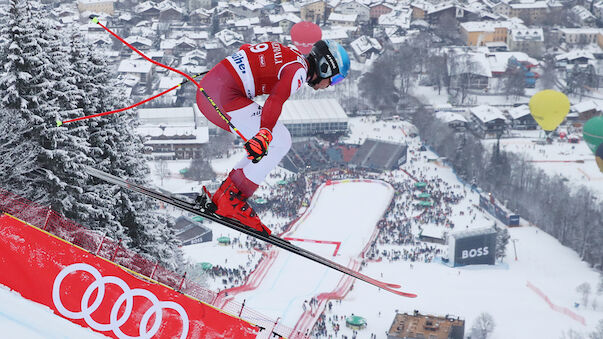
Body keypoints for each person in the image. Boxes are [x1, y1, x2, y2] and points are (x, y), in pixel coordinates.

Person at [196, 40, 350, 235]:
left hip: (213, 90)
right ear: (325, 66)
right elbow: (275, 99)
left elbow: (246, 50)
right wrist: (265, 132)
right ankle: (232, 200)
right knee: (280, 140)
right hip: (222, 98)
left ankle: (224, 196)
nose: (330, 86)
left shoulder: (292, 53)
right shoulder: (298, 72)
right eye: (334, 80)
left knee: (273, 142)